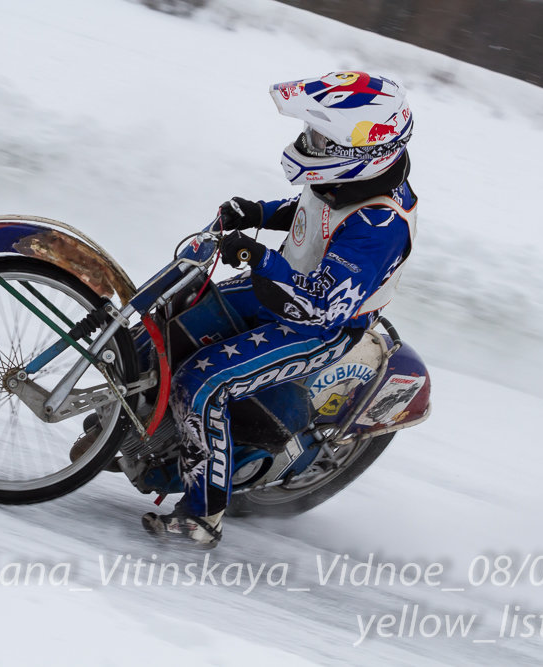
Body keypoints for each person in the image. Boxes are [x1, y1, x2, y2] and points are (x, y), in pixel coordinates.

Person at [142, 71, 418, 547]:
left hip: (318, 329)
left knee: (202, 382)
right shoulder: (343, 183)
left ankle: (203, 513)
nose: (309, 143)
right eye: (310, 133)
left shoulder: (381, 224)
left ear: (365, 151)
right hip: (278, 292)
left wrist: (257, 257)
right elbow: (312, 210)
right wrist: (260, 214)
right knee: (177, 314)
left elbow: (320, 304)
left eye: (321, 139)